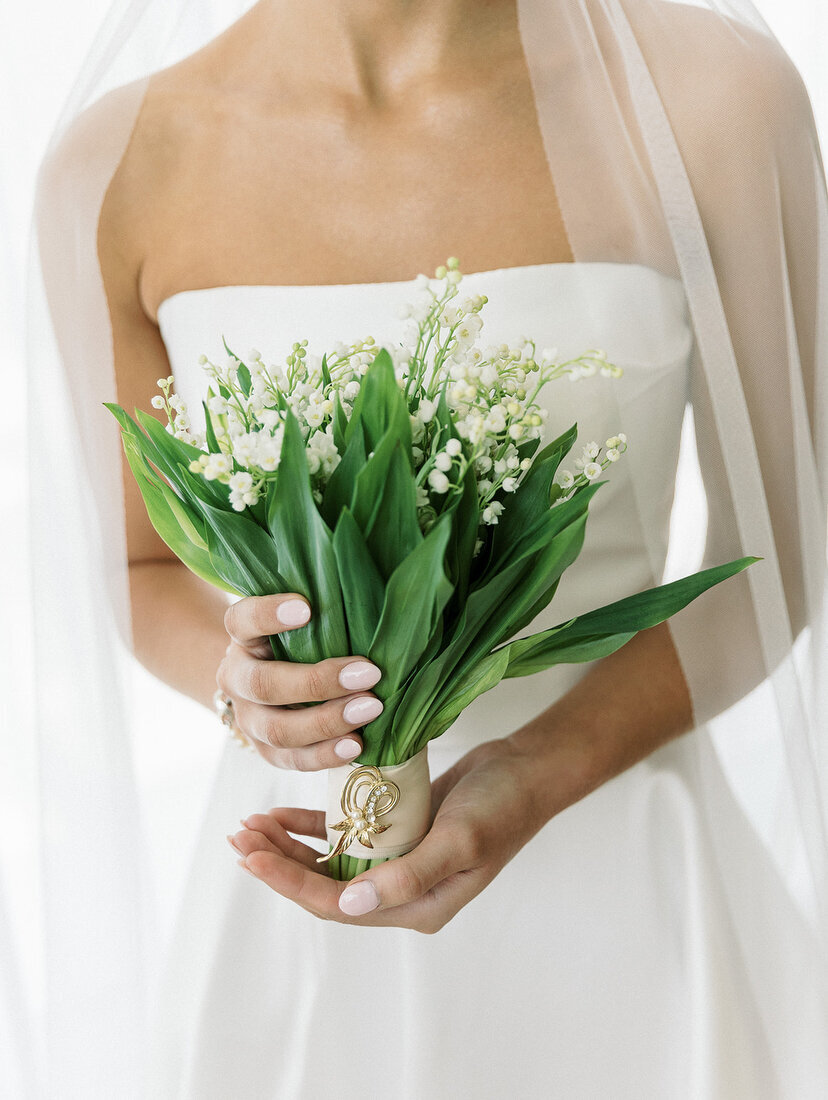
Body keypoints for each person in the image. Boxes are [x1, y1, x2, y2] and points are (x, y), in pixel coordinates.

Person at [27, 1, 828, 1096]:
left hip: (625, 885)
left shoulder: (717, 99)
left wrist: (544, 769)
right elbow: (141, 567)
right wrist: (245, 686)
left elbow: (784, 552)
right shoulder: (115, 168)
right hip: (306, 899)